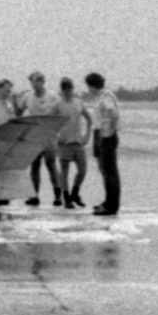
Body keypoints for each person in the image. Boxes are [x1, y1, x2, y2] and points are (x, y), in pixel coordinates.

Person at [17, 71, 62, 205]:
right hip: (34, 136)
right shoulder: (27, 97)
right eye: (32, 82)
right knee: (34, 167)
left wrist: (59, 130)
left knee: (51, 165)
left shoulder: (52, 96)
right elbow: (18, 111)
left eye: (37, 81)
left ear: (43, 82)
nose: (34, 84)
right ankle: (34, 196)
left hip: (49, 136)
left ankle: (58, 196)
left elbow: (62, 112)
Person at [83, 72, 121, 216]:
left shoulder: (105, 97)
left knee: (110, 172)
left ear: (93, 85)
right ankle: (107, 201)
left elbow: (114, 114)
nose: (88, 89)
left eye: (88, 86)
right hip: (100, 134)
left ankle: (112, 205)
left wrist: (110, 130)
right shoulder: (100, 97)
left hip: (106, 136)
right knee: (104, 170)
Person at [53, 77, 93, 209]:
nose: (67, 92)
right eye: (65, 89)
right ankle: (66, 198)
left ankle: (75, 194)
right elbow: (49, 123)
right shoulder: (58, 105)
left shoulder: (79, 102)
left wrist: (87, 135)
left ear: (72, 89)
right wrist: (57, 135)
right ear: (62, 90)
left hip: (77, 142)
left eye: (69, 89)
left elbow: (89, 119)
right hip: (64, 143)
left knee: (82, 170)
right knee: (64, 171)